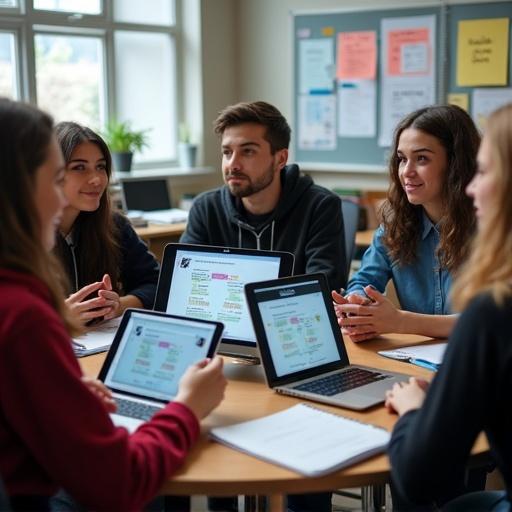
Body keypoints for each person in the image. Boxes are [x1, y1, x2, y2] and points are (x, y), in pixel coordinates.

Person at [0, 98, 226, 511]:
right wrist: (188, 407)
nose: (92, 181)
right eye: (58, 178)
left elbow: (157, 284)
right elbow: (119, 481)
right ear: (18, 187)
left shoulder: (106, 228)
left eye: (100, 166)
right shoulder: (23, 315)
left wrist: (61, 391)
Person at [385, 103, 512, 511]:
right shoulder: (398, 224)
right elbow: (362, 281)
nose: (474, 186)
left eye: (486, 171)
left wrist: (412, 410)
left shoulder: (496, 307)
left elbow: (420, 478)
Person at [333, 105, 480, 342]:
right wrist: (358, 303)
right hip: (418, 360)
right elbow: (363, 280)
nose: (406, 172)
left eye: (422, 158)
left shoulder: (493, 227)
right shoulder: (395, 225)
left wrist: (400, 322)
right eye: (402, 159)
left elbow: (493, 321)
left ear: (455, 163)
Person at [180, 100, 347, 291]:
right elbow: (186, 282)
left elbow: (324, 290)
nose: (233, 164)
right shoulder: (206, 208)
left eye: (248, 151)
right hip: (226, 317)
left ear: (280, 159)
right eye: (227, 152)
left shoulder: (319, 206)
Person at [53, 121, 160, 326]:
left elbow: (155, 283)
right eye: (79, 167)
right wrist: (55, 318)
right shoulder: (19, 236)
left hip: (98, 347)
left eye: (100, 167)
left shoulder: (114, 225)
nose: (96, 179)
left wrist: (119, 305)